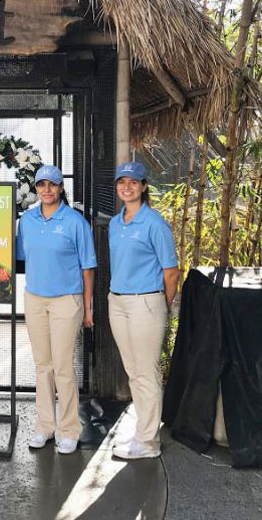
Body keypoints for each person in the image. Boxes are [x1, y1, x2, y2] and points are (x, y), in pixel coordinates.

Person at [16, 165, 96, 455]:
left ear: (61, 188)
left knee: (63, 367)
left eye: (53, 185)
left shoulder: (76, 222)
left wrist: (87, 309)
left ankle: (70, 429)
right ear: (36, 188)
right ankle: (45, 426)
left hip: (66, 301)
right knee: (42, 366)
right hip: (35, 299)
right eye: (41, 185)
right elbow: (21, 257)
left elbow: (88, 269)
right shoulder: (27, 220)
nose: (47, 190)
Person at [108, 161, 179, 460]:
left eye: (133, 182)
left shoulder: (155, 223)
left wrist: (159, 308)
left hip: (146, 302)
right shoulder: (115, 223)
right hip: (118, 301)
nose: (127, 186)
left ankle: (148, 442)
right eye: (122, 182)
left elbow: (172, 272)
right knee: (134, 372)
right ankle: (142, 432)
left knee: (146, 372)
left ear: (144, 186)